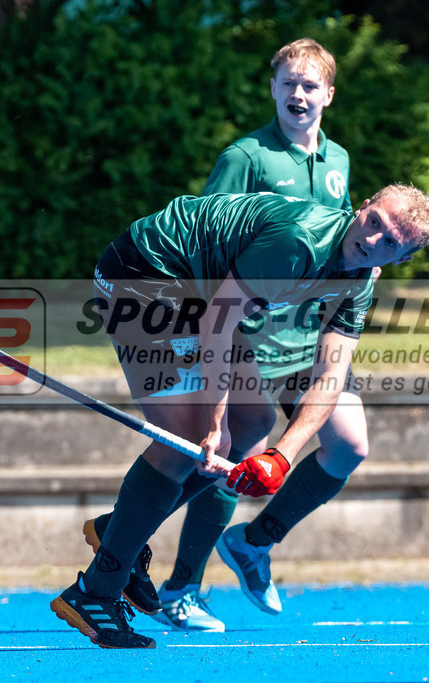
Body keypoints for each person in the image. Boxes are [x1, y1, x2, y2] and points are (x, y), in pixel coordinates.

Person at [51, 184, 429, 649]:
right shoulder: (298, 243)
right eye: (375, 222)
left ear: (398, 260)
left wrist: (282, 456)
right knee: (188, 442)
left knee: (255, 423)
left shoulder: (358, 282)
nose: (374, 240)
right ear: (365, 206)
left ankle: (118, 530)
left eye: (391, 242)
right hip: (144, 273)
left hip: (200, 294)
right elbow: (217, 324)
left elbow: (330, 379)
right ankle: (96, 591)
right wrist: (213, 425)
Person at [83, 37, 376, 633]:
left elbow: (343, 258)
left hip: (300, 328)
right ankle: (181, 585)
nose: (299, 94)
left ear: (329, 95)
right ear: (272, 88)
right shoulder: (246, 156)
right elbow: (211, 261)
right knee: (231, 437)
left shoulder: (340, 162)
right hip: (240, 322)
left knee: (347, 442)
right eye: (288, 83)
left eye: (310, 85)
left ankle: (248, 541)